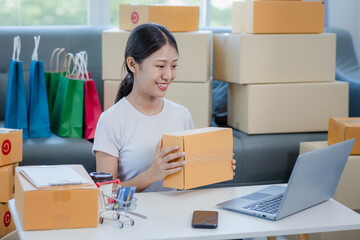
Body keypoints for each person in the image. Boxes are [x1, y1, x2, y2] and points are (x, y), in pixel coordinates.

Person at [92, 23, 236, 192]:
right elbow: (105, 192)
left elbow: (186, 181)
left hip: (175, 214)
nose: (168, 75)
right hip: (132, 215)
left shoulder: (181, 115)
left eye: (173, 66)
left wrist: (213, 165)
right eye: (160, 66)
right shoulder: (111, 120)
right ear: (132, 65)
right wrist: (151, 174)